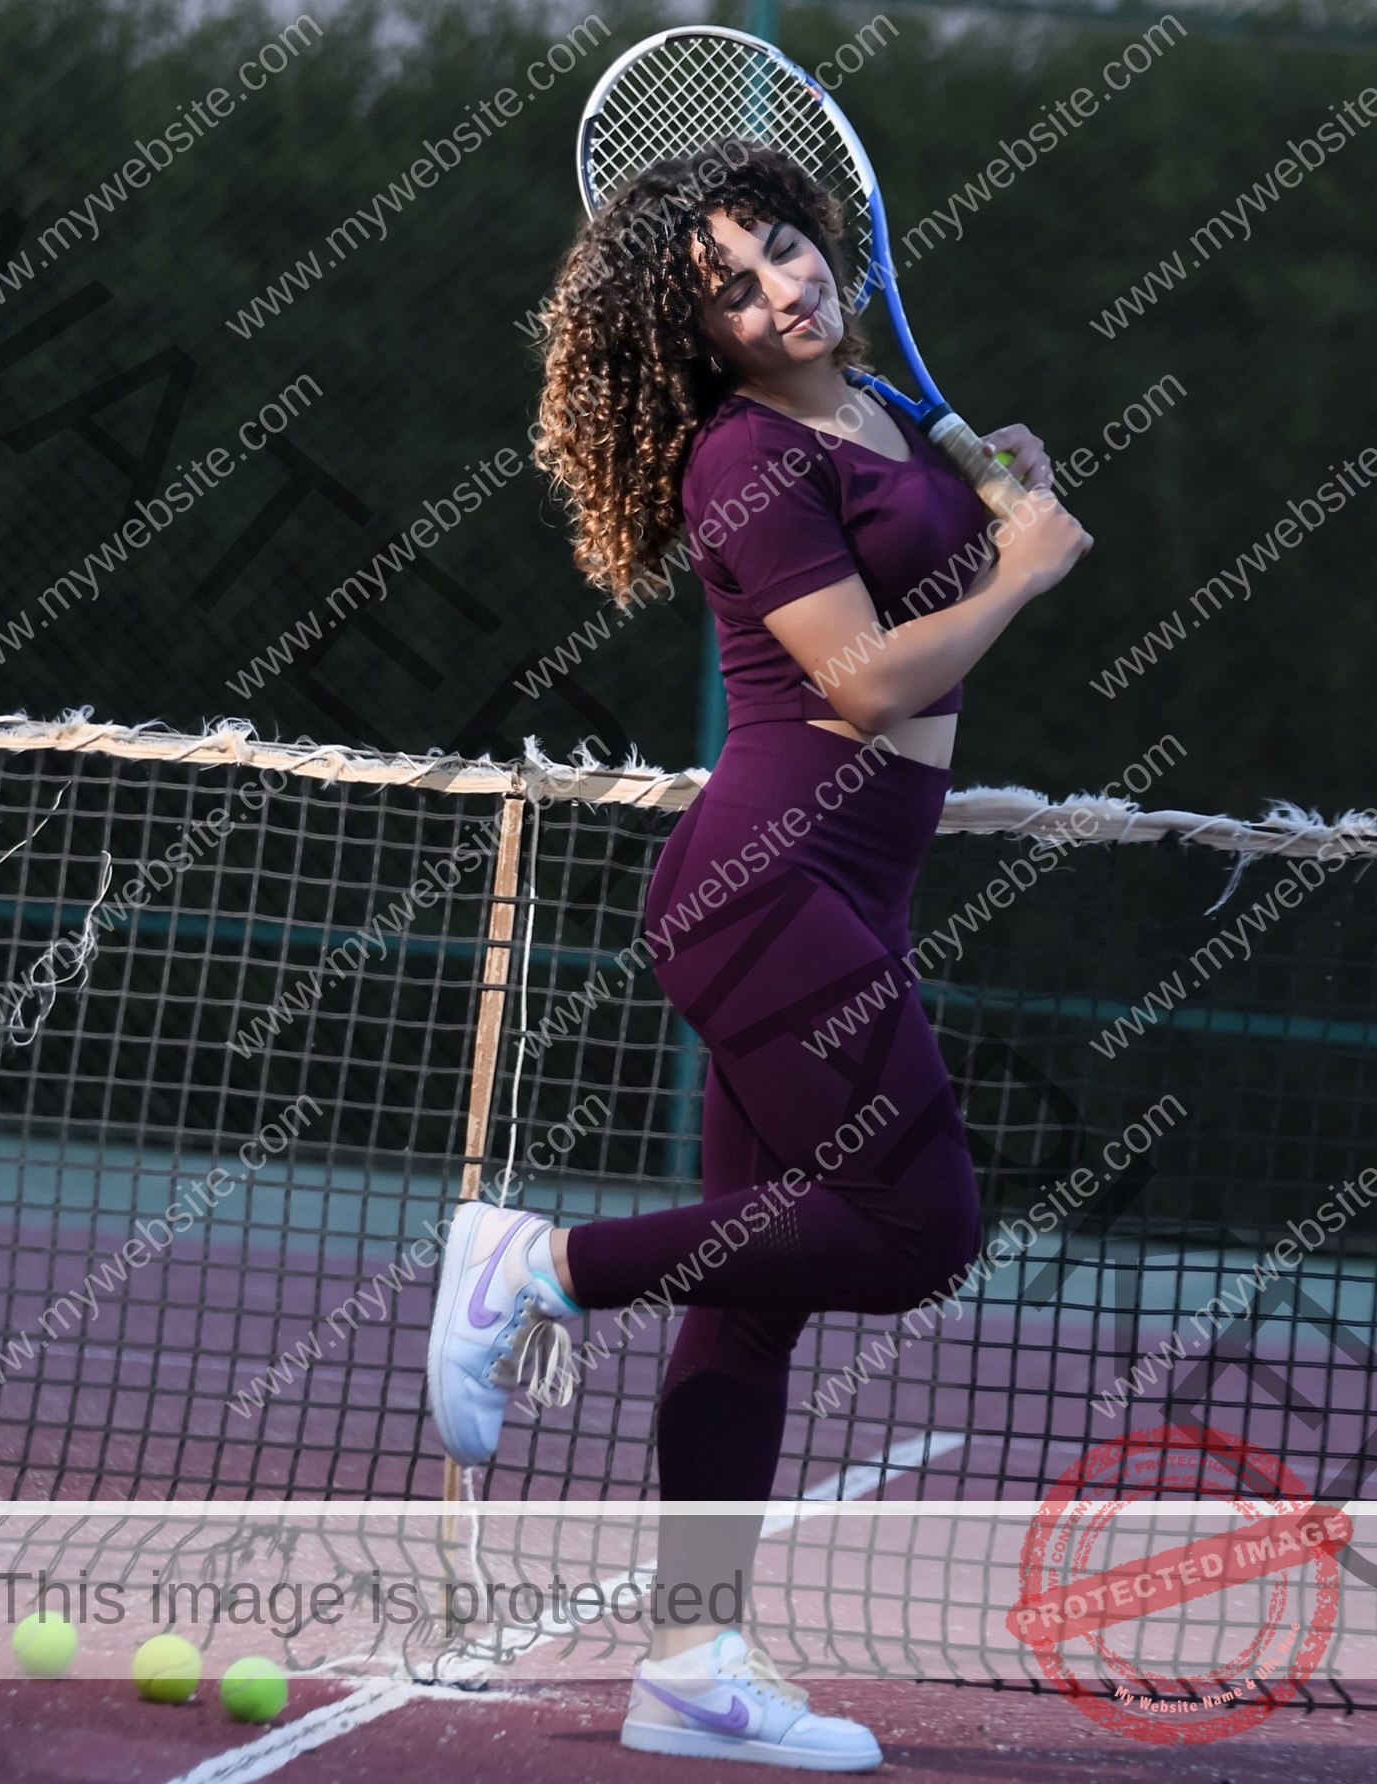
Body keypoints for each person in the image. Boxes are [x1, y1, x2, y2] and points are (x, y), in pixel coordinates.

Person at [426, 144, 1091, 1771]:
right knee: (918, 1223)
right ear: (701, 338)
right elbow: (863, 688)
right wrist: (1019, 567)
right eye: (731, 286)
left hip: (854, 894)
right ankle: (537, 1268)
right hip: (764, 888)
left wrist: (999, 490)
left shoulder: (868, 413)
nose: (779, 289)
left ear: (828, 240)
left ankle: (693, 1668)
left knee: (753, 1305)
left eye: (784, 250)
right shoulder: (741, 455)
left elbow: (931, 599)